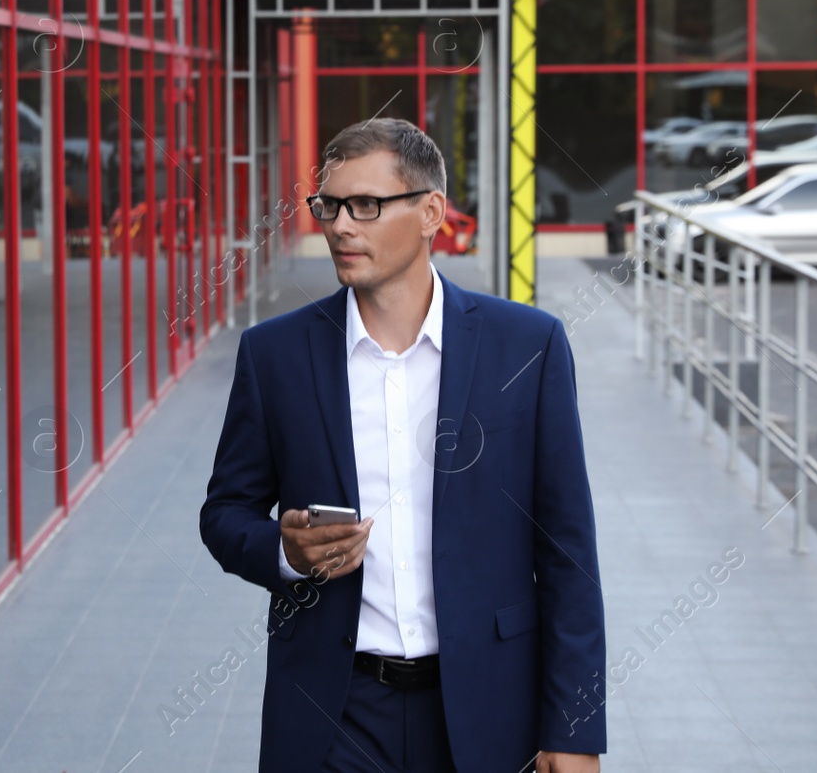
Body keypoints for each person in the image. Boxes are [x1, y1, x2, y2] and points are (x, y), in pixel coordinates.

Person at [199, 118, 606, 773]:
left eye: (365, 205)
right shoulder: (275, 354)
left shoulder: (528, 346)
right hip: (335, 713)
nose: (339, 225)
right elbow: (223, 514)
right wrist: (285, 550)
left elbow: (567, 551)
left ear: (431, 213)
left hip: (487, 706)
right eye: (328, 206)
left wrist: (575, 726)